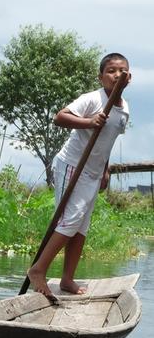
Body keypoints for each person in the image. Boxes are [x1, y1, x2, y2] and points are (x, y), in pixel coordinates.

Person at [27, 53, 131, 298]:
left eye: (121, 70)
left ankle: (67, 279)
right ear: (101, 76)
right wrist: (89, 122)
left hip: (94, 171)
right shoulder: (93, 99)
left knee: (81, 227)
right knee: (71, 219)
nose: (116, 75)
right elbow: (59, 117)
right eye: (111, 70)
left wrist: (105, 170)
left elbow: (108, 141)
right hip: (72, 165)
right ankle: (38, 269)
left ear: (129, 77)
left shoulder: (124, 108)